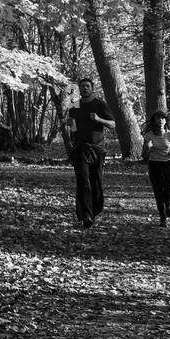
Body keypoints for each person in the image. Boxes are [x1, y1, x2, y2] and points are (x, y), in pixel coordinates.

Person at [65, 77, 116, 228]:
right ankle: (86, 214)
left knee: (96, 182)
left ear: (92, 88)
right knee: (83, 182)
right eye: (82, 86)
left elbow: (113, 124)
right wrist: (70, 125)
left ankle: (94, 210)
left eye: (88, 86)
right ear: (79, 89)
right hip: (80, 148)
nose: (85, 88)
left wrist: (99, 119)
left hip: (97, 149)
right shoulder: (74, 105)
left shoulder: (100, 104)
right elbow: (73, 128)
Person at [140, 110, 170, 227]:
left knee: (167, 188)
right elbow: (144, 155)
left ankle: (168, 204)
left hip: (168, 164)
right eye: (158, 118)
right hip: (154, 165)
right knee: (158, 191)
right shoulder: (149, 135)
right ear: (154, 121)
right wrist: (148, 147)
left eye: (162, 118)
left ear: (165, 121)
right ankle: (162, 217)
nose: (160, 120)